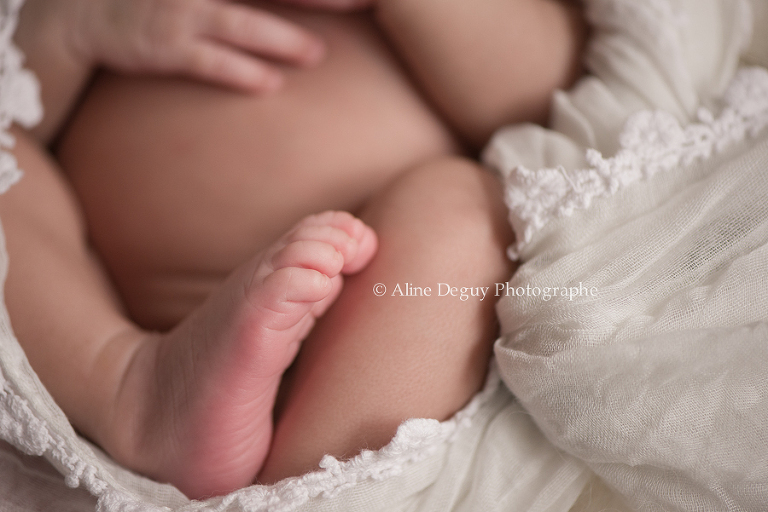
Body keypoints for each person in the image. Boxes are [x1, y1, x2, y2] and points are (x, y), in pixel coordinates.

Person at [2, 0, 585, 499]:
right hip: (101, 306)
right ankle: (131, 391)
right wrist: (72, 28)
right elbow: (21, 99)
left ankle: (308, 490)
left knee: (462, 213)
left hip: (370, 289)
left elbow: (551, 93)